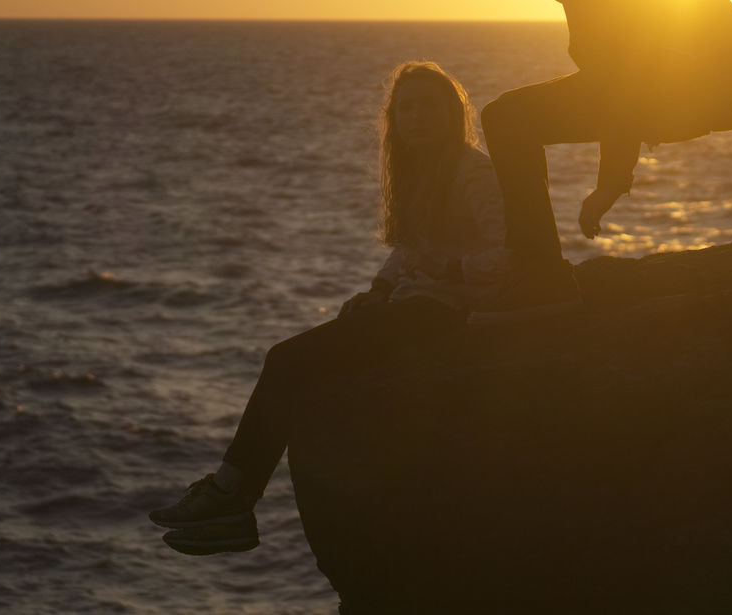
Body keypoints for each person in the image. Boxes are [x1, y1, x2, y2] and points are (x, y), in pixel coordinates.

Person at [148, 62, 507, 555]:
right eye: (407, 108)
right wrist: (380, 290)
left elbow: (508, 251)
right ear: (394, 118)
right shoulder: (419, 171)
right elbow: (408, 250)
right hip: (412, 303)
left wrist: (448, 274)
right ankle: (234, 503)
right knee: (312, 359)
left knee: (287, 359)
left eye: (429, 106)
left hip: (449, 314)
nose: (417, 117)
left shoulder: (474, 170)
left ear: (452, 113)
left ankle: (230, 496)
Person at [471, 0, 732, 319]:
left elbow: (625, 77)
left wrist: (611, 181)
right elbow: (620, 74)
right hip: (673, 80)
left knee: (507, 118)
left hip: (677, 84)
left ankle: (540, 281)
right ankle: (535, 272)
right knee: (510, 117)